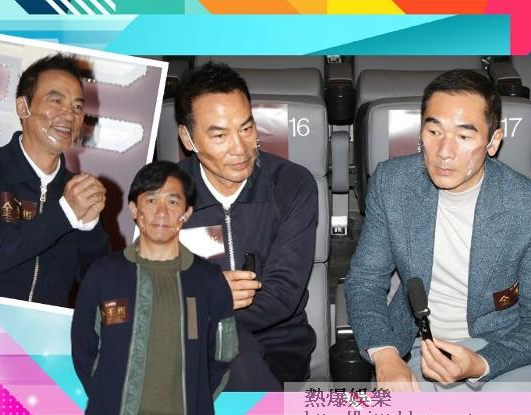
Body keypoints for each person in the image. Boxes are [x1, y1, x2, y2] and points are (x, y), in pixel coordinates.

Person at [345, 69, 531, 391]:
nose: (444, 152)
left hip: (502, 348)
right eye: (433, 131)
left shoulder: (523, 205)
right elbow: (365, 280)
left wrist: (481, 362)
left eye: (464, 137)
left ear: (493, 142)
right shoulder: (393, 184)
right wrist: (385, 354)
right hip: (419, 347)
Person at [175, 62, 318, 390]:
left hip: (276, 344)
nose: (240, 149)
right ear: (188, 138)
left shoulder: (292, 185)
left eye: (246, 129)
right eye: (220, 136)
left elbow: (282, 295)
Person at [71, 161, 236, 415]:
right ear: (134, 209)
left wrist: (196, 402)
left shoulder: (209, 280)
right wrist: (107, 398)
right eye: (151, 200)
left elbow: (223, 354)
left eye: (173, 202)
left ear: (186, 213)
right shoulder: (103, 275)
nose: (161, 212)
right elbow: (83, 349)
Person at [0, 53, 109, 306]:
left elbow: (100, 288)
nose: (69, 115)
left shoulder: (76, 193)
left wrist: (91, 228)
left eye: (77, 107)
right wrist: (64, 214)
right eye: (56, 101)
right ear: (23, 107)